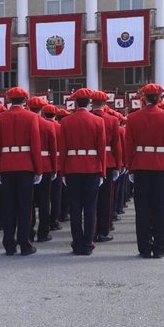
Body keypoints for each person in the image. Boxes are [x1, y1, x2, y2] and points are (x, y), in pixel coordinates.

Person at [125, 84, 164, 257]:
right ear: (159, 98)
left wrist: (130, 167)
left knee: (142, 209)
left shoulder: (133, 118)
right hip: (163, 166)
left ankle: (145, 248)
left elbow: (129, 146)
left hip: (141, 165)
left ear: (144, 99)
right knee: (162, 209)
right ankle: (159, 248)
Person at [0, 87, 42, 256]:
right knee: (25, 207)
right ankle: (24, 243)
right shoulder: (31, 117)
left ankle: (9, 244)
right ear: (25, 100)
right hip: (26, 165)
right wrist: (38, 169)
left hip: (6, 165)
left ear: (9, 100)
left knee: (8, 207)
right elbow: (35, 145)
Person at [59, 88, 106, 256]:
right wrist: (102, 171)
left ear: (76, 102)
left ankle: (77, 242)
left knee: (75, 207)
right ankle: (87, 243)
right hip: (92, 167)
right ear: (89, 103)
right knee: (90, 207)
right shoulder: (98, 121)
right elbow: (101, 149)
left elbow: (62, 150)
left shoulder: (66, 121)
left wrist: (62, 171)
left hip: (72, 167)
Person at [91, 91, 122, 242]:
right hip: (108, 162)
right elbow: (116, 145)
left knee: (90, 199)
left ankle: (92, 229)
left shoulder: (89, 118)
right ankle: (103, 229)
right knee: (106, 198)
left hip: (90, 161)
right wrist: (118, 164)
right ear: (105, 104)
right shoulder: (112, 120)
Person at [27, 96, 57, 242]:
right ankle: (43, 232)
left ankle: (29, 231)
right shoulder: (47, 125)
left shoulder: (25, 123)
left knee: (29, 201)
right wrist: (54, 168)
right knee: (44, 201)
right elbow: (53, 149)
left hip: (28, 163)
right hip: (45, 165)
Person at [42, 104, 63, 232]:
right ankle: (54, 220)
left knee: (43, 196)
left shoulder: (41, 125)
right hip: (58, 163)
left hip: (43, 162)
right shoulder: (60, 127)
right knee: (56, 195)